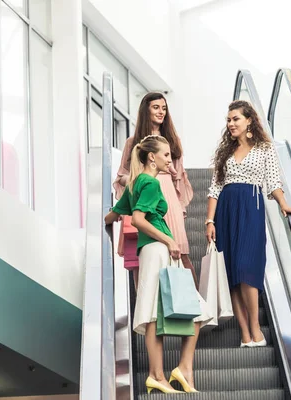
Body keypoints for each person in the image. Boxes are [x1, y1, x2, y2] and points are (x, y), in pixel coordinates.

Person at [105, 135, 202, 394]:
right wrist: (169, 240)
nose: (170, 160)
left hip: (149, 250)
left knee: (152, 314)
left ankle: (159, 374)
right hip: (159, 249)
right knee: (196, 312)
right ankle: (171, 370)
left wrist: (103, 221)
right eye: (167, 155)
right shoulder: (151, 183)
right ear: (152, 157)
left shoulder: (136, 183)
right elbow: (137, 219)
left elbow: (116, 213)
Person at [205, 100, 291, 347]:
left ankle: (256, 329)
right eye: (228, 120)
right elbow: (215, 188)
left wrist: (283, 204)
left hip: (251, 208)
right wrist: (209, 220)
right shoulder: (225, 153)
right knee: (232, 273)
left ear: (249, 120)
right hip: (226, 210)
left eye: (235, 118)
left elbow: (273, 181)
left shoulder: (264, 149)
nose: (231, 123)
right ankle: (245, 334)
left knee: (248, 268)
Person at [113, 92, 196, 289]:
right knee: (141, 260)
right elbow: (121, 176)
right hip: (142, 198)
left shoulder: (172, 141)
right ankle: (146, 311)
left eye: (164, 108)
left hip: (167, 199)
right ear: (146, 110)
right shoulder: (133, 143)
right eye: (156, 107)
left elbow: (179, 178)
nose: (161, 112)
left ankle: (193, 309)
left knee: (180, 255)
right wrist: (140, 178)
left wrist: (180, 206)